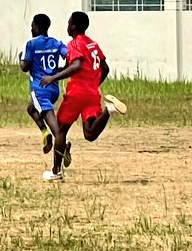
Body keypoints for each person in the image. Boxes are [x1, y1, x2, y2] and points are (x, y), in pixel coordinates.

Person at [39, 11, 127, 181]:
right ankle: (108, 110)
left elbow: (77, 65)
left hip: (77, 93)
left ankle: (56, 171)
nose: (67, 26)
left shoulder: (74, 43)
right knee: (89, 134)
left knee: (60, 130)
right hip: (92, 93)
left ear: (73, 27)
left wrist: (53, 78)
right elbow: (105, 68)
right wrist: (93, 84)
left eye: (68, 23)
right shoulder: (93, 44)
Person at [20, 13, 67, 156]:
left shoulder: (31, 44)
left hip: (40, 89)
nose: (31, 29)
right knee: (31, 108)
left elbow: (24, 67)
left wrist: (20, 58)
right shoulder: (56, 43)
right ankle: (44, 132)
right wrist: (61, 71)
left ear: (37, 27)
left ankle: (63, 145)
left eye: (32, 26)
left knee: (52, 121)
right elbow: (69, 55)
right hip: (53, 88)